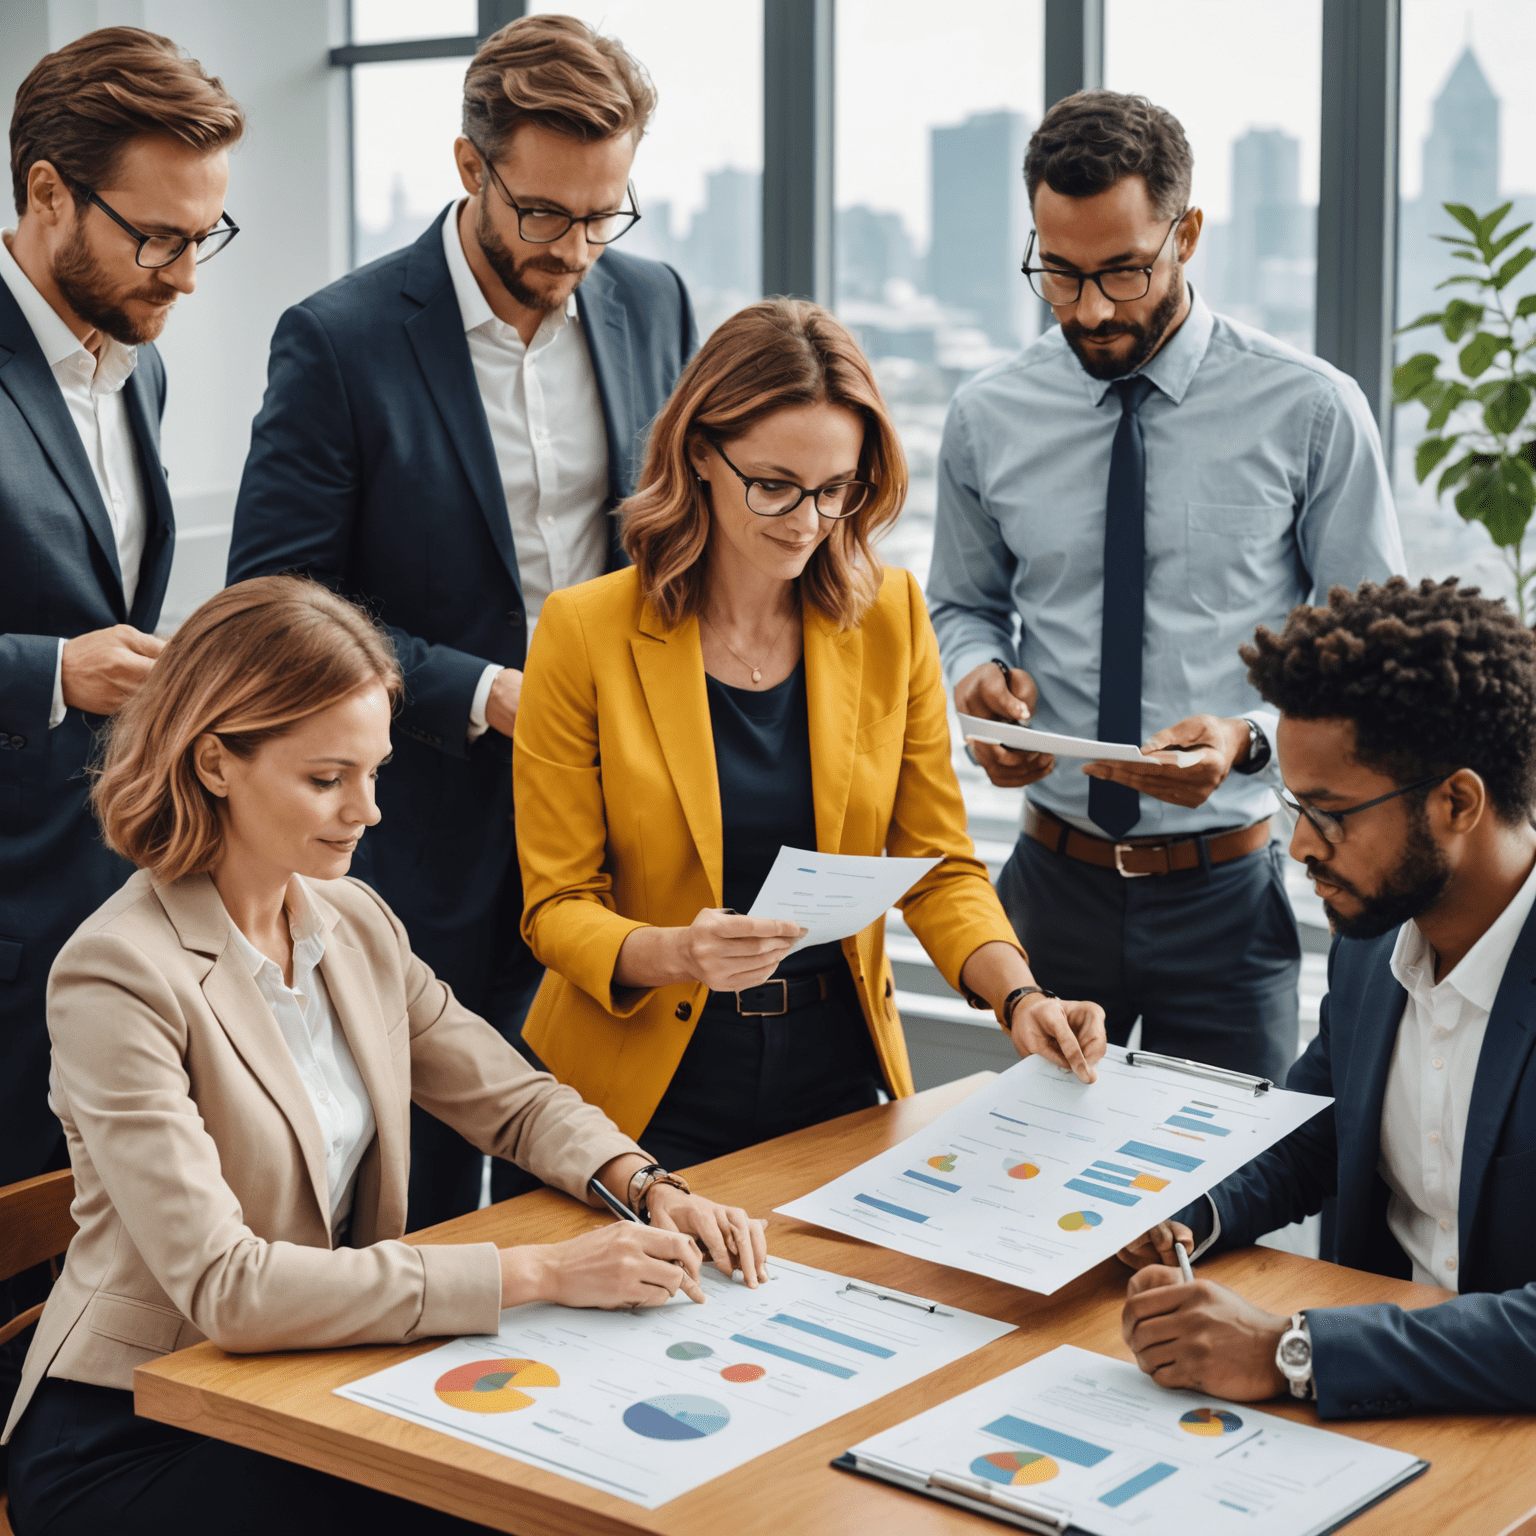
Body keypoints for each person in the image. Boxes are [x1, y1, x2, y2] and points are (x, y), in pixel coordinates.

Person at [0, 576, 765, 1534]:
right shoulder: (118, 973)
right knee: (500, 1506)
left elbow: (513, 1101)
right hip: (138, 1423)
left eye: (374, 772)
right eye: (327, 779)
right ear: (215, 763)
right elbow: (228, 1289)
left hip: (308, 1381)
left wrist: (646, 1184)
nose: (366, 810)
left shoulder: (353, 920)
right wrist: (543, 1273)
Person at [226, 14, 696, 1227]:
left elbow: (677, 539)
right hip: (423, 829)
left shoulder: (653, 301)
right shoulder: (340, 339)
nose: (578, 246)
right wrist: (486, 690)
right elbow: (278, 601)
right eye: (544, 213)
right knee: (427, 1188)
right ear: (468, 167)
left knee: (608, 1160)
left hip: (612, 830)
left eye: (606, 212)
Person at [513, 299, 1107, 1169]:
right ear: (701, 456)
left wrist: (1020, 997)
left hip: (834, 1069)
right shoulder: (585, 631)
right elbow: (555, 907)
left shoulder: (891, 617)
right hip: (639, 1089)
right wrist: (682, 951)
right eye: (775, 485)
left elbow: (939, 863)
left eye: (836, 491)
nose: (806, 521)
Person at [927, 89, 1405, 1085]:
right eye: (1057, 274)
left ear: (1187, 233)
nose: (1091, 309)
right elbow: (964, 605)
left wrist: (1247, 737)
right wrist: (980, 679)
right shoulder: (988, 415)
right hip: (1048, 884)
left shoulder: (1310, 410)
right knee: (1027, 1201)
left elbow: (1372, 646)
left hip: (1225, 898)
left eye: (1123, 272)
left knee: (1226, 1208)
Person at [1118, 577, 1536, 1418]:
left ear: (1458, 801)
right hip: (1375, 1417)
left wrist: (1292, 1351)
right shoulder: (1374, 939)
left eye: (1333, 813)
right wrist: (1188, 1211)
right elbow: (1311, 1134)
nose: (1302, 844)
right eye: (1295, 805)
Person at [0, 25, 243, 1467]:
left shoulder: (134, 372)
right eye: (158, 238)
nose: (188, 278)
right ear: (45, 196)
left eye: (206, 235)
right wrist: (49, 673)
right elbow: (63, 651)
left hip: (94, 920)